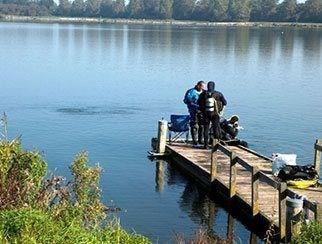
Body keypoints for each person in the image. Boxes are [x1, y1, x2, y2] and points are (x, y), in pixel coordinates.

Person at [198, 81, 227, 149]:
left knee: (206, 129)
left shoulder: (203, 93)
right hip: (215, 114)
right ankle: (216, 145)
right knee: (216, 128)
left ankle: (206, 145)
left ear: (208, 86)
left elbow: (198, 102)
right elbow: (225, 102)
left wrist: (202, 109)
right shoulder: (219, 94)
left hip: (206, 114)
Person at [183, 81, 206, 146]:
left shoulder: (204, 92)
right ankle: (194, 140)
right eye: (202, 86)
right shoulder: (191, 92)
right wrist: (195, 105)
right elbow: (186, 100)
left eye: (204, 87)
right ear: (198, 85)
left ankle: (200, 140)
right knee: (194, 125)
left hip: (202, 111)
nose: (203, 88)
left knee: (202, 125)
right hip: (193, 111)